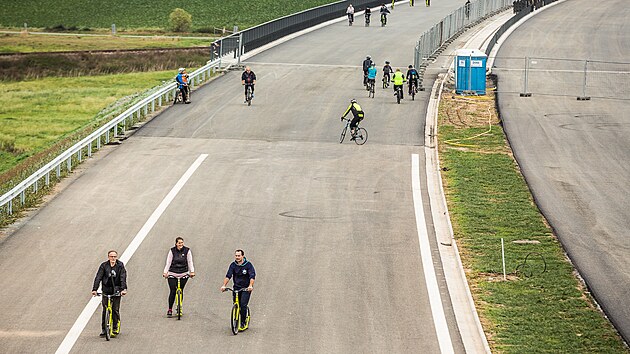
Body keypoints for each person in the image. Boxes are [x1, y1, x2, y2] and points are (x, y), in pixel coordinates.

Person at [92, 250, 127, 337]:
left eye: (115, 256)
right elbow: (98, 277)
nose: (113, 258)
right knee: (105, 309)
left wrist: (123, 289)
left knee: (115, 309)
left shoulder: (120, 266)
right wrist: (95, 289)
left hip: (117, 290)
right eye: (111, 256)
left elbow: (123, 277)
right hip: (106, 289)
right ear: (108, 257)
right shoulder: (104, 266)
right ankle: (104, 330)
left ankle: (115, 327)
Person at [221, 250, 256, 330]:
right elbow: (228, 275)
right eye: (236, 255)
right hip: (236, 288)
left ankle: (243, 322)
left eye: (239, 256)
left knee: (243, 305)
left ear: (243, 256)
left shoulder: (248, 265)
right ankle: (236, 320)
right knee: (236, 304)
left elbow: (252, 276)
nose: (237, 257)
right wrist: (224, 285)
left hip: (246, 288)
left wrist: (250, 285)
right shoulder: (233, 265)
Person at [163, 237, 195, 317]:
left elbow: (190, 261)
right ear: (176, 243)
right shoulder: (172, 251)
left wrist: (192, 271)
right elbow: (168, 262)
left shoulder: (187, 251)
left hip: (183, 272)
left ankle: (179, 307)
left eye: (182, 243)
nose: (181, 244)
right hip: (173, 272)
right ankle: (170, 309)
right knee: (173, 291)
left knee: (181, 289)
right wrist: (165, 272)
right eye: (179, 243)